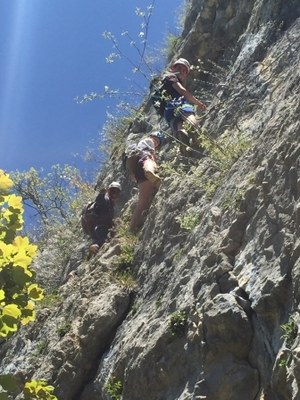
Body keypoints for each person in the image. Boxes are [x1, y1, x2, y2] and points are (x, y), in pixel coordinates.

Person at [161, 58, 206, 155]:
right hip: (178, 103)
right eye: (180, 68)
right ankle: (194, 130)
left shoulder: (163, 82)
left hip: (167, 112)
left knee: (178, 123)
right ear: (173, 68)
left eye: (184, 71)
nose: (182, 71)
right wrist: (198, 103)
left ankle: (182, 134)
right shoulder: (171, 77)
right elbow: (182, 91)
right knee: (189, 117)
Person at [128, 131, 164, 233]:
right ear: (151, 136)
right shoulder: (147, 142)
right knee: (149, 161)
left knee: (142, 203)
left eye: (158, 142)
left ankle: (131, 229)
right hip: (144, 163)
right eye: (155, 139)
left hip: (139, 173)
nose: (155, 142)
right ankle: (150, 172)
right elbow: (147, 154)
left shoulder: (144, 146)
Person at [81, 181, 121, 254]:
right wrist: (101, 194)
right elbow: (99, 201)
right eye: (112, 191)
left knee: (104, 237)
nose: (114, 193)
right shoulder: (106, 199)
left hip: (96, 228)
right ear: (108, 191)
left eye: (117, 192)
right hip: (99, 226)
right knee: (102, 239)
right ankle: (94, 246)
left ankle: (94, 245)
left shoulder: (111, 204)